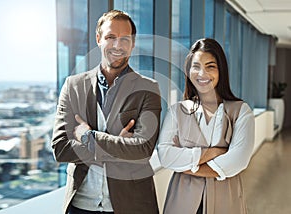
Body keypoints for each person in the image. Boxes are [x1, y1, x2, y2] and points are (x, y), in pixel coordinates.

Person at [51, 10, 161, 214]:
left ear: (133, 43)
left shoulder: (148, 88)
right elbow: (61, 148)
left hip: (132, 205)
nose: (118, 45)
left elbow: (142, 150)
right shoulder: (73, 86)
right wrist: (119, 145)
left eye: (124, 39)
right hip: (80, 206)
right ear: (98, 39)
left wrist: (88, 137)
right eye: (111, 37)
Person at [157, 38, 255, 214]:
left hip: (226, 201)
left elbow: (238, 160)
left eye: (210, 66)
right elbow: (165, 154)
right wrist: (212, 153)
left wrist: (186, 165)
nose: (202, 73)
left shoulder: (241, 111)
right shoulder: (177, 111)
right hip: (181, 202)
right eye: (196, 66)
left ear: (221, 70)